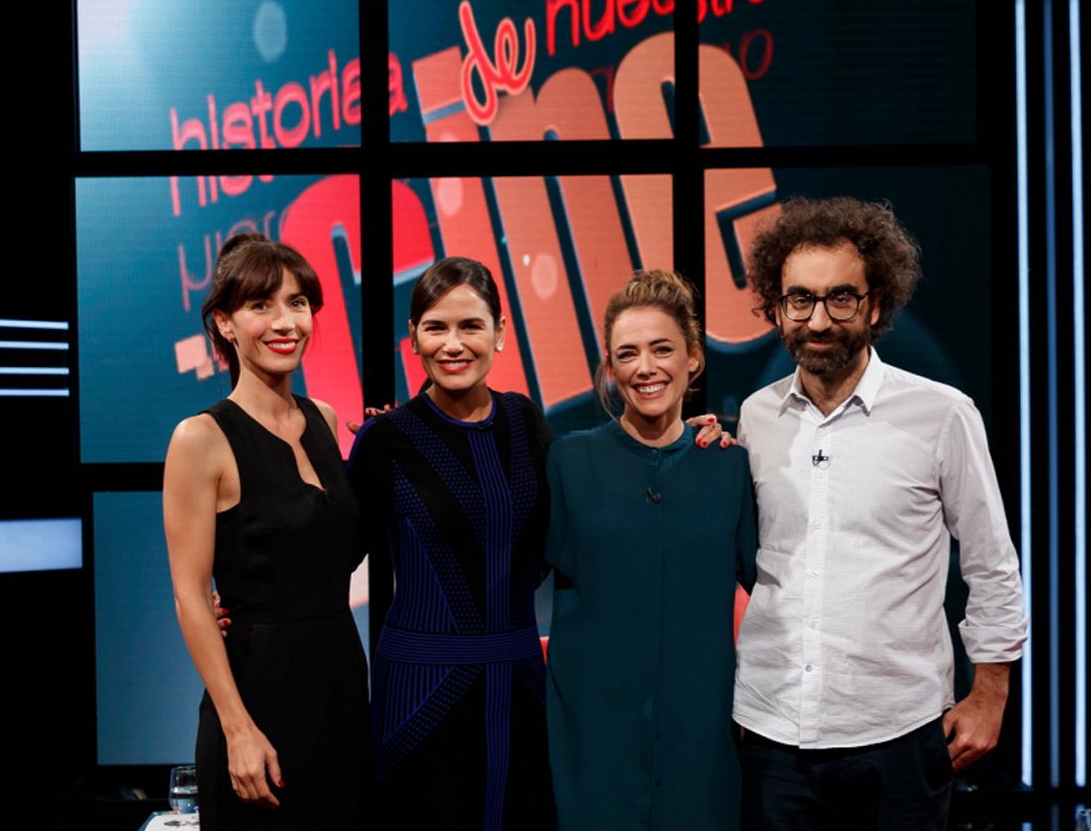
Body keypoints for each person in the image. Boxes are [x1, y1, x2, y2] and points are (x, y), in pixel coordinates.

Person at [733, 197, 1028, 830]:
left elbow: (993, 565)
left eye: (841, 298)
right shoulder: (755, 418)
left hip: (899, 732)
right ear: (776, 307)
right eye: (799, 300)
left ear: (874, 304)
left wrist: (990, 695)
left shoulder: (942, 414)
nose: (818, 319)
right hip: (772, 728)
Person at [162, 233, 368, 830]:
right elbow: (190, 596)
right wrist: (237, 728)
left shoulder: (327, 420)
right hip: (258, 691)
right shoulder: (200, 439)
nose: (286, 322)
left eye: (298, 303)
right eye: (262, 306)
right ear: (224, 324)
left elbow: (333, 550)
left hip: (339, 677)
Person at [545, 270, 758, 831]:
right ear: (611, 369)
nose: (645, 368)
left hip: (701, 743)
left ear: (693, 359)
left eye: (662, 349)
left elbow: (774, 590)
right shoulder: (570, 461)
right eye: (628, 354)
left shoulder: (729, 464)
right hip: (596, 742)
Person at [349, 256, 557, 830]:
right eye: (436, 327)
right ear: (411, 339)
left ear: (500, 333)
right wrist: (242, 599)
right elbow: (331, 556)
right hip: (421, 695)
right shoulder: (386, 439)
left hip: (519, 685)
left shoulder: (526, 421)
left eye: (471, 326)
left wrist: (686, 442)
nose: (454, 343)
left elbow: (561, 536)